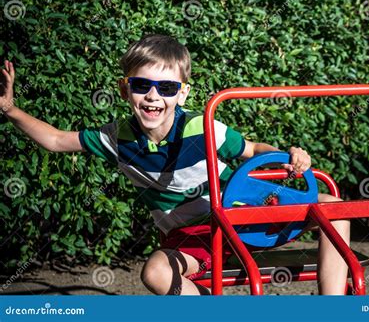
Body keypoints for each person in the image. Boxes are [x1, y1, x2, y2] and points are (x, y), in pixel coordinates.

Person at [0, 34, 350, 295]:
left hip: (245, 215)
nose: (153, 96)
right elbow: (58, 140)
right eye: (142, 85)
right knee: (154, 271)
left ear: (181, 93)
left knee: (336, 208)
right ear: (125, 90)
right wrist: (10, 110)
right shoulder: (118, 138)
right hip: (197, 236)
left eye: (166, 87)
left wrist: (290, 154)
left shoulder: (203, 127)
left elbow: (254, 148)